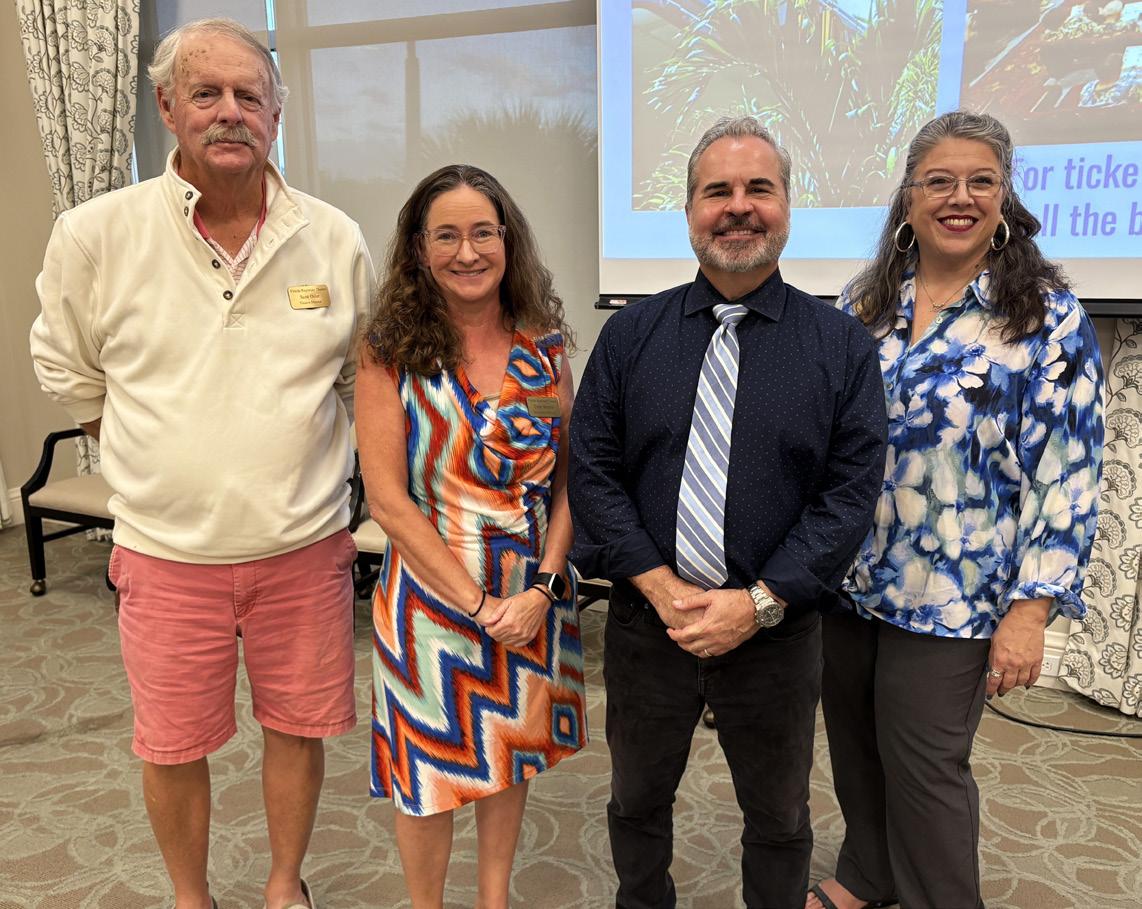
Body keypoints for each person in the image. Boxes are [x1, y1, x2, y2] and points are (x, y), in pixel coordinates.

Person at [29, 18, 374, 909]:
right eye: (206, 93)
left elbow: (357, 375)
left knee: (297, 729)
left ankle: (284, 885)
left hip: (302, 547)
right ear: (166, 106)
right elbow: (66, 362)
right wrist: (148, 452)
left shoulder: (333, 238)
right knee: (172, 744)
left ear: (277, 113)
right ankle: (192, 896)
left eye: (249, 95)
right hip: (165, 552)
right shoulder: (95, 233)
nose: (230, 112)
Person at [568, 116, 888, 909]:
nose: (738, 207)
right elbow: (592, 471)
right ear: (689, 211)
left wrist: (758, 603)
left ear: (787, 207)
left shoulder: (842, 346)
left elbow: (849, 494)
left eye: (758, 189)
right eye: (717, 191)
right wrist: (659, 587)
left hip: (776, 633)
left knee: (778, 817)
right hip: (649, 625)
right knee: (636, 800)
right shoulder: (629, 335)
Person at [807, 111, 1104, 909]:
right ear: (909, 199)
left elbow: (1068, 476)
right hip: (849, 578)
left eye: (981, 181)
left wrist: (1031, 611)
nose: (959, 197)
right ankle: (868, 874)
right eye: (939, 181)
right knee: (856, 746)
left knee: (926, 767)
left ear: (1004, 199)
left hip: (955, 595)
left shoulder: (1045, 317)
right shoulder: (862, 303)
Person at [356, 164, 586, 909]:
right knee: (426, 778)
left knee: (508, 756)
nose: (467, 252)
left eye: (483, 232)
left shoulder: (544, 348)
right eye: (446, 235)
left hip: (531, 598)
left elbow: (571, 477)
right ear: (419, 250)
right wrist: (480, 606)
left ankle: (494, 901)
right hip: (431, 603)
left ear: (508, 241)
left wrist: (543, 587)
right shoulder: (388, 350)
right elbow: (387, 500)